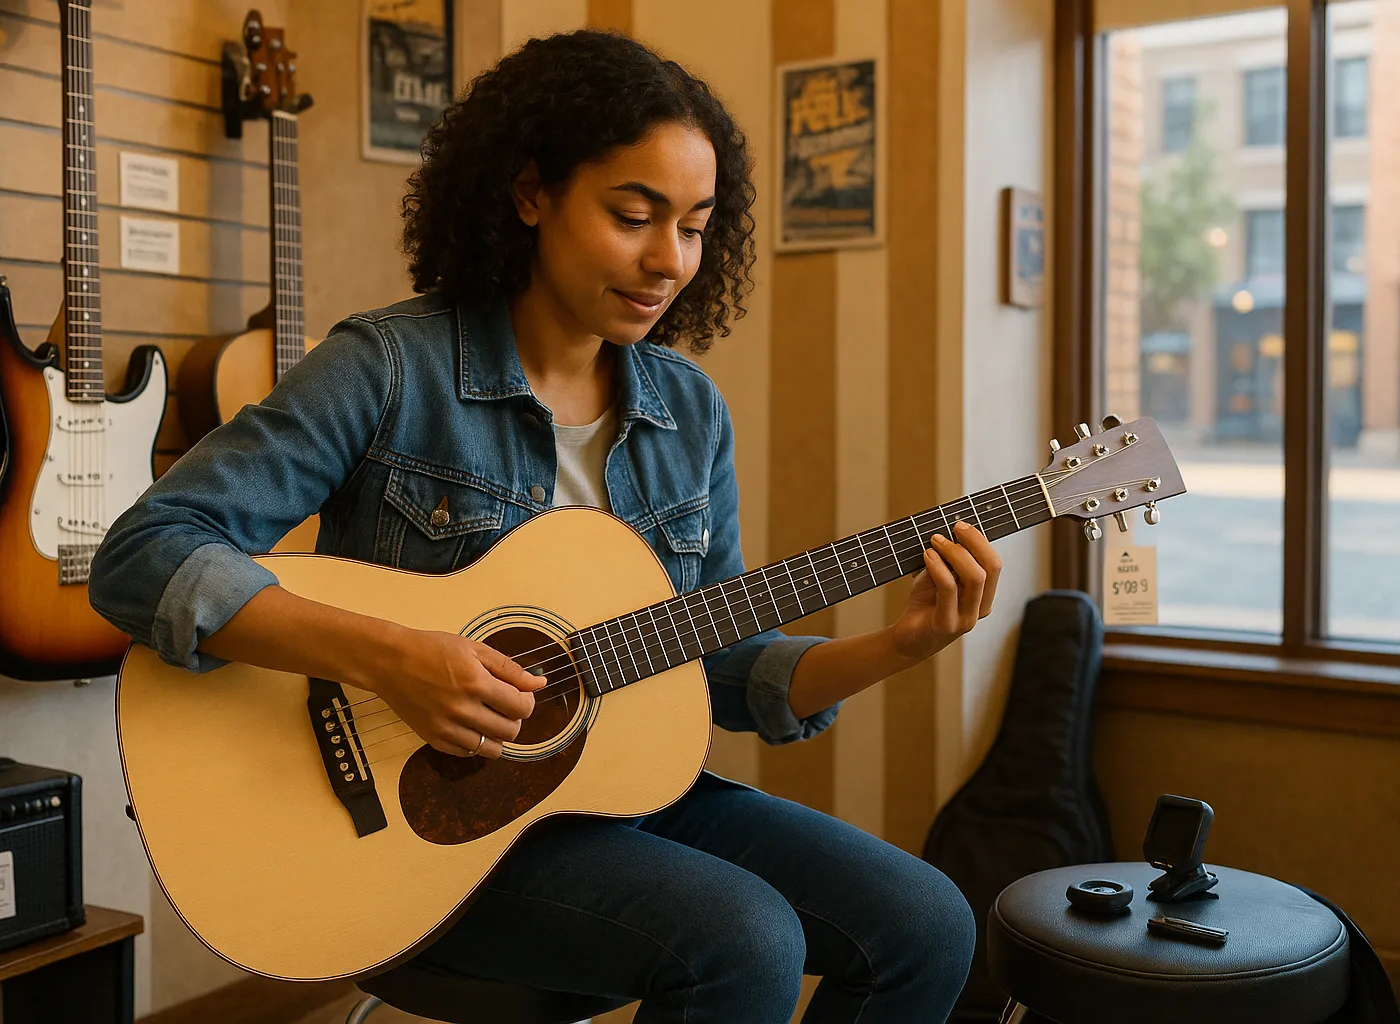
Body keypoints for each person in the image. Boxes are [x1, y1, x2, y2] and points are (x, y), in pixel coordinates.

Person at [91, 29, 1000, 1024]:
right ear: (530, 193)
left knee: (929, 922)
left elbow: (727, 667)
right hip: (410, 825)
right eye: (634, 215)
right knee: (746, 936)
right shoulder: (390, 368)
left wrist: (903, 643)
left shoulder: (687, 412)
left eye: (695, 227)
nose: (668, 260)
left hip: (609, 796)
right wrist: (393, 657)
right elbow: (144, 553)